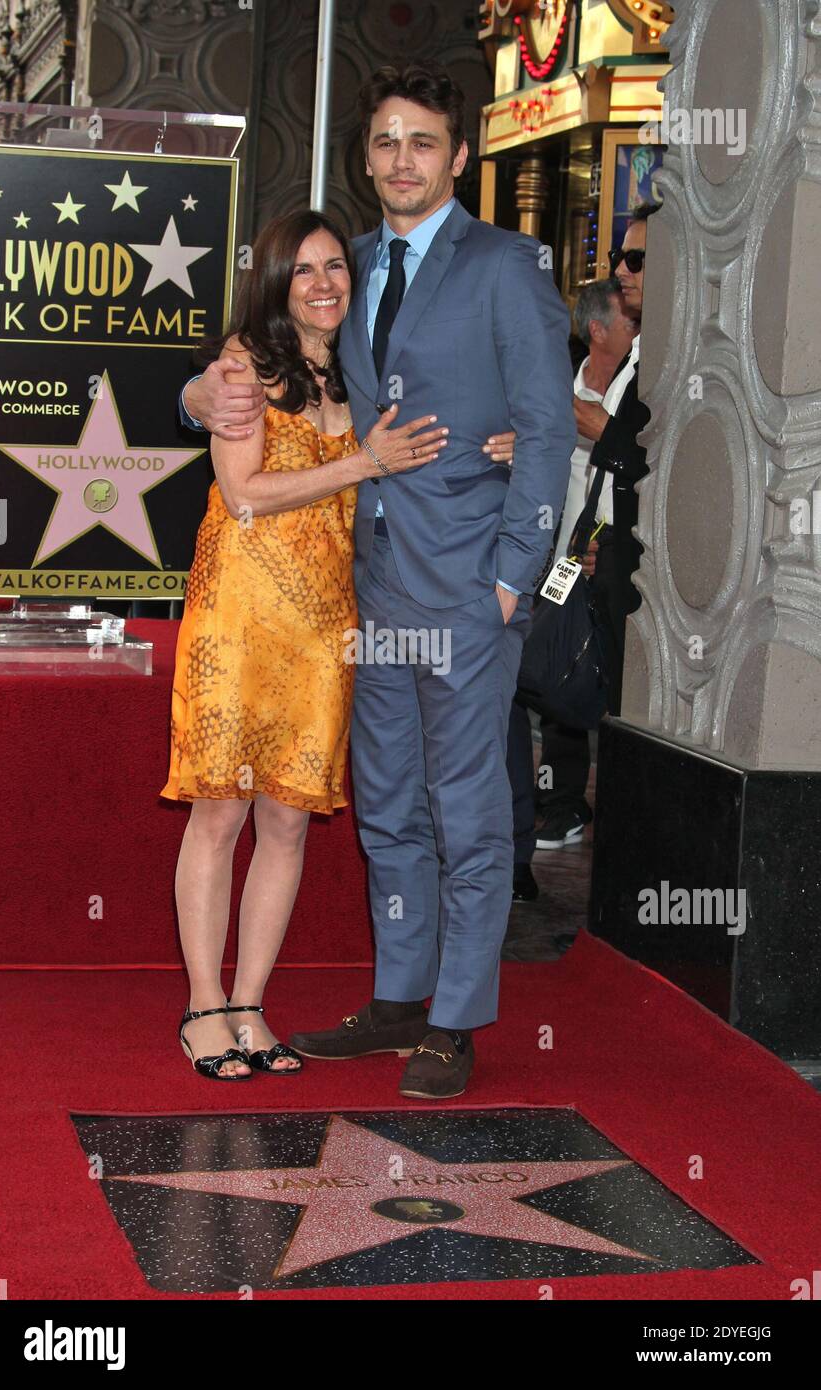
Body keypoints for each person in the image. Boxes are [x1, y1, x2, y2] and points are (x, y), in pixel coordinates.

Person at [179, 61, 575, 1099]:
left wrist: (513, 575)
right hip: (360, 593)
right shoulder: (341, 270)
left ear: (459, 156)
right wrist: (197, 397)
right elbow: (262, 368)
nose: (403, 159)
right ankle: (399, 995)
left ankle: (455, 1015)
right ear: (367, 158)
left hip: (466, 586)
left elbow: (543, 429)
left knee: (467, 804)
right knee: (389, 804)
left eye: (423, 143)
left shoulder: (507, 264)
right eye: (387, 142)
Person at [162, 209, 445, 1081]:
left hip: (327, 624)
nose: (323, 284)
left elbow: (428, 445)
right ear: (276, 282)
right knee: (222, 811)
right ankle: (202, 1006)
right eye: (304, 271)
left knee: (286, 821)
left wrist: (498, 442)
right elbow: (242, 492)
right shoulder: (243, 366)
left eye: (335, 268)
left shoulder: (363, 371)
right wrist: (362, 464)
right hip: (239, 615)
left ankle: (250, 1004)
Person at [532, 277, 638, 855]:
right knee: (558, 666)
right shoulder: (562, 375)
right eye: (628, 322)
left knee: (614, 678)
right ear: (597, 330)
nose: (637, 330)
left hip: (616, 557)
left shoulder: (639, 383)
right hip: (560, 555)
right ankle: (562, 800)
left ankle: (618, 810)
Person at [573, 203, 654, 716]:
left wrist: (602, 430)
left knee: (627, 706)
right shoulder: (638, 352)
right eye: (618, 256)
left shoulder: (675, 351)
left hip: (649, 578)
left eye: (637, 259)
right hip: (606, 556)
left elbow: (669, 467)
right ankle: (561, 793)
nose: (621, 269)